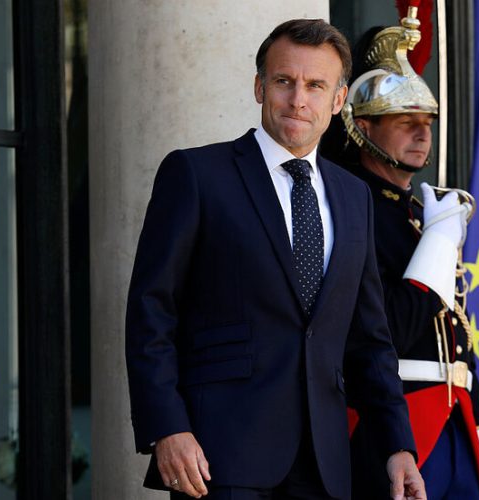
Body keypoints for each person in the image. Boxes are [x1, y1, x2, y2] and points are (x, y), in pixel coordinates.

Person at [125, 18, 426, 500]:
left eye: (315, 85)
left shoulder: (354, 197)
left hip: (325, 466)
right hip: (217, 457)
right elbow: (151, 312)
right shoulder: (197, 175)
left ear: (339, 100)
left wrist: (397, 445)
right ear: (259, 87)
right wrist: (167, 427)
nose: (298, 99)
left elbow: (370, 339)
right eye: (285, 81)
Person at [322, 12, 479, 500]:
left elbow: (454, 331)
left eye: (427, 123)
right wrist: (438, 245)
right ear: (363, 128)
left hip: (457, 416)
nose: (423, 134)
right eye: (405, 122)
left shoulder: (419, 212)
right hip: (395, 420)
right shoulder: (351, 206)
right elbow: (390, 327)